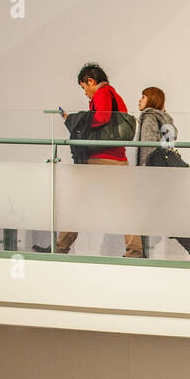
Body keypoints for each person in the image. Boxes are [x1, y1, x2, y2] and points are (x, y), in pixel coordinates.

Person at [55, 64, 143, 258]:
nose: (85, 93)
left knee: (77, 204)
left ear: (91, 81)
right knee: (124, 206)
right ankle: (135, 251)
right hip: (117, 159)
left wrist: (76, 120)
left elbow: (102, 117)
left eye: (84, 87)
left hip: (101, 160)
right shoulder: (114, 95)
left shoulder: (102, 93)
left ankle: (60, 248)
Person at [134, 86, 190, 262]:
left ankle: (139, 254)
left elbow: (148, 147)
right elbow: (169, 143)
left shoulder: (149, 117)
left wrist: (143, 171)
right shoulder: (165, 118)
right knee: (167, 216)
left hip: (153, 174)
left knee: (144, 215)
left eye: (143, 96)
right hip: (166, 176)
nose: (139, 100)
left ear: (152, 100)